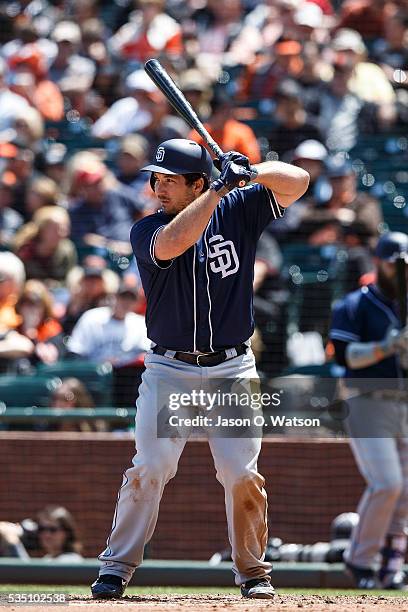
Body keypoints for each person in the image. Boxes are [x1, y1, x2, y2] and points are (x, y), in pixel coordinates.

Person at [90, 139, 309, 600]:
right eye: (158, 178)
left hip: (231, 368)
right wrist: (218, 191)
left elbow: (299, 182)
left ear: (196, 183)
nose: (159, 187)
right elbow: (175, 243)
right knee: (150, 467)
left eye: (171, 180)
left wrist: (251, 172)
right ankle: (116, 567)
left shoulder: (238, 208)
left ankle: (253, 572)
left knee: (242, 474)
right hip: (170, 369)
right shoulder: (148, 228)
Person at [329, 232, 408, 590]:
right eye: (396, 264)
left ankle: (393, 562)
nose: (402, 271)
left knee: (404, 488)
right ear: (379, 262)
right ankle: (360, 561)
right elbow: (347, 357)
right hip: (365, 401)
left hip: (403, 403)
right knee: (387, 483)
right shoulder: (355, 304)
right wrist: (388, 346)